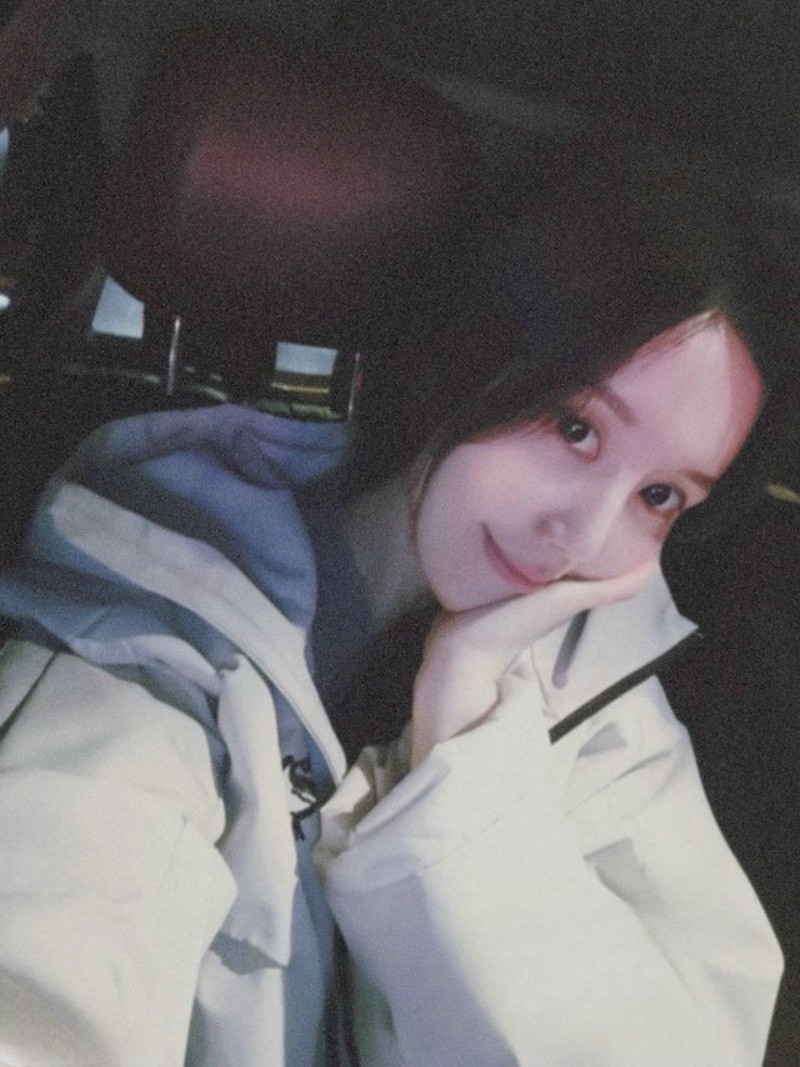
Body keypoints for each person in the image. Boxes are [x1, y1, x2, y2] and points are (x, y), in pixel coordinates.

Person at [0, 173, 786, 1066]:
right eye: (576, 427)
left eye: (660, 494)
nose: (586, 535)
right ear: (473, 354)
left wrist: (468, 753)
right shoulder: (147, 642)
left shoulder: (610, 710)